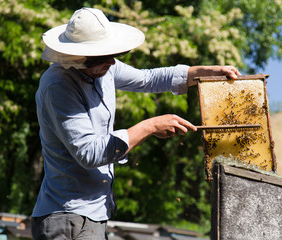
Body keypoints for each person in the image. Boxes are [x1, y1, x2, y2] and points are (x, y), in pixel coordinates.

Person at [31, 7, 240, 240]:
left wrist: (204, 73)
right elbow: (88, 153)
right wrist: (149, 127)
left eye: (112, 54)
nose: (111, 62)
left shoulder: (103, 68)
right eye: (103, 56)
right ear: (76, 58)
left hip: (95, 213)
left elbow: (148, 79)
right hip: (65, 217)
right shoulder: (58, 85)